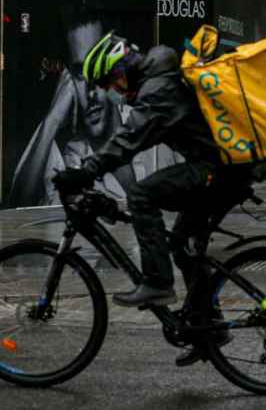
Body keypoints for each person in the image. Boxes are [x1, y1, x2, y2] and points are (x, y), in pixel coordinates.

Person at [51, 31, 245, 366]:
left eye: (112, 82)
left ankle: (157, 282)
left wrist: (87, 170)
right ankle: (209, 328)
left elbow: (130, 140)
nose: (114, 90)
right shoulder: (161, 79)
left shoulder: (159, 89)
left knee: (141, 195)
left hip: (216, 171)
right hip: (222, 169)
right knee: (184, 246)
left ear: (123, 70)